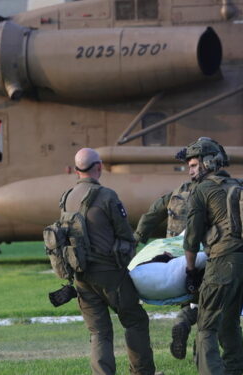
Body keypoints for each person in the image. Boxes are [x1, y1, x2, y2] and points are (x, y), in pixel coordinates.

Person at [63, 148, 159, 375]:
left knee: (99, 332)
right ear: (98, 167)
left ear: (77, 170)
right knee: (134, 321)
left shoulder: (67, 198)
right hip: (110, 274)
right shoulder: (107, 196)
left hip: (81, 275)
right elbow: (124, 234)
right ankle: (142, 372)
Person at [180, 137, 243, 375]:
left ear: (208, 163)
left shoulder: (202, 189)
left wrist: (190, 270)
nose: (190, 170)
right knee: (229, 321)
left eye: (194, 165)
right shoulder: (241, 185)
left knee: (206, 326)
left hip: (225, 260)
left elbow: (191, 239)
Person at [134, 176, 197, 360]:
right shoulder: (212, 192)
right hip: (199, 253)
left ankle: (182, 323)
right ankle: (200, 352)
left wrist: (138, 237)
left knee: (185, 295)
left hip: (173, 254)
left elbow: (153, 214)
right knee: (207, 302)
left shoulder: (177, 193)